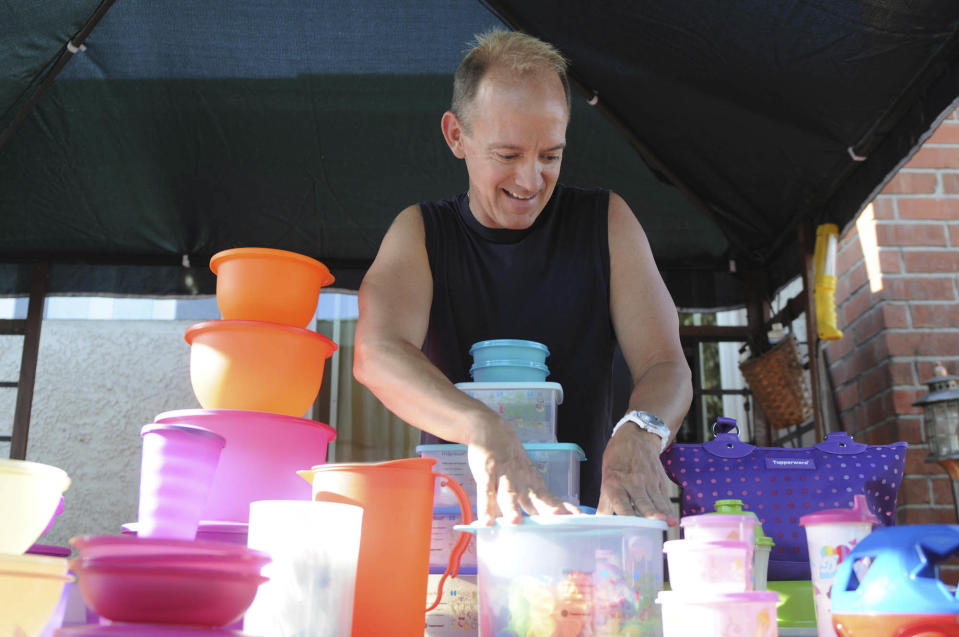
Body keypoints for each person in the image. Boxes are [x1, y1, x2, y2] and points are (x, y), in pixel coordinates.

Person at [354, 29, 692, 525]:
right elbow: (376, 353)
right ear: (456, 136)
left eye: (550, 155)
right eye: (508, 156)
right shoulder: (421, 232)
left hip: (587, 527)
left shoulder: (606, 221)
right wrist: (483, 428)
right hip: (464, 532)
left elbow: (666, 365)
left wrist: (640, 431)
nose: (530, 181)